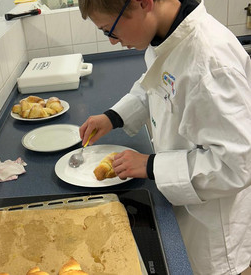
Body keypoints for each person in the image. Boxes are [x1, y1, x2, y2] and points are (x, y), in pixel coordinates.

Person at [77, 0, 251, 274]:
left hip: (214, 226)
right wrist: (114, 116)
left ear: (143, 3)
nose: (112, 42)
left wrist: (150, 165)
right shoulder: (168, 37)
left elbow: (237, 165)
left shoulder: (210, 62)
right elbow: (157, 84)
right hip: (185, 202)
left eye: (110, 30)